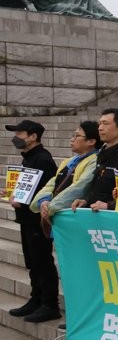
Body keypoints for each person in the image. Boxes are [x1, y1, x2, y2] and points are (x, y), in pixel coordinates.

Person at [5, 120, 59, 322]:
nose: (16, 137)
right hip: (26, 219)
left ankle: (49, 304)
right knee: (32, 262)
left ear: (33, 136)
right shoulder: (29, 158)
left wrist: (23, 202)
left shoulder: (43, 160)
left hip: (37, 220)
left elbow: (46, 192)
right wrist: (12, 194)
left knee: (42, 261)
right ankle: (35, 299)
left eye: (20, 133)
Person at [32, 120, 100, 232]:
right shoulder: (69, 161)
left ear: (91, 141)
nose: (72, 139)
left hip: (74, 218)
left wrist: (50, 207)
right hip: (56, 214)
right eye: (73, 135)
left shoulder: (94, 161)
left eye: (77, 136)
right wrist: (43, 200)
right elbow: (52, 183)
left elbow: (79, 188)